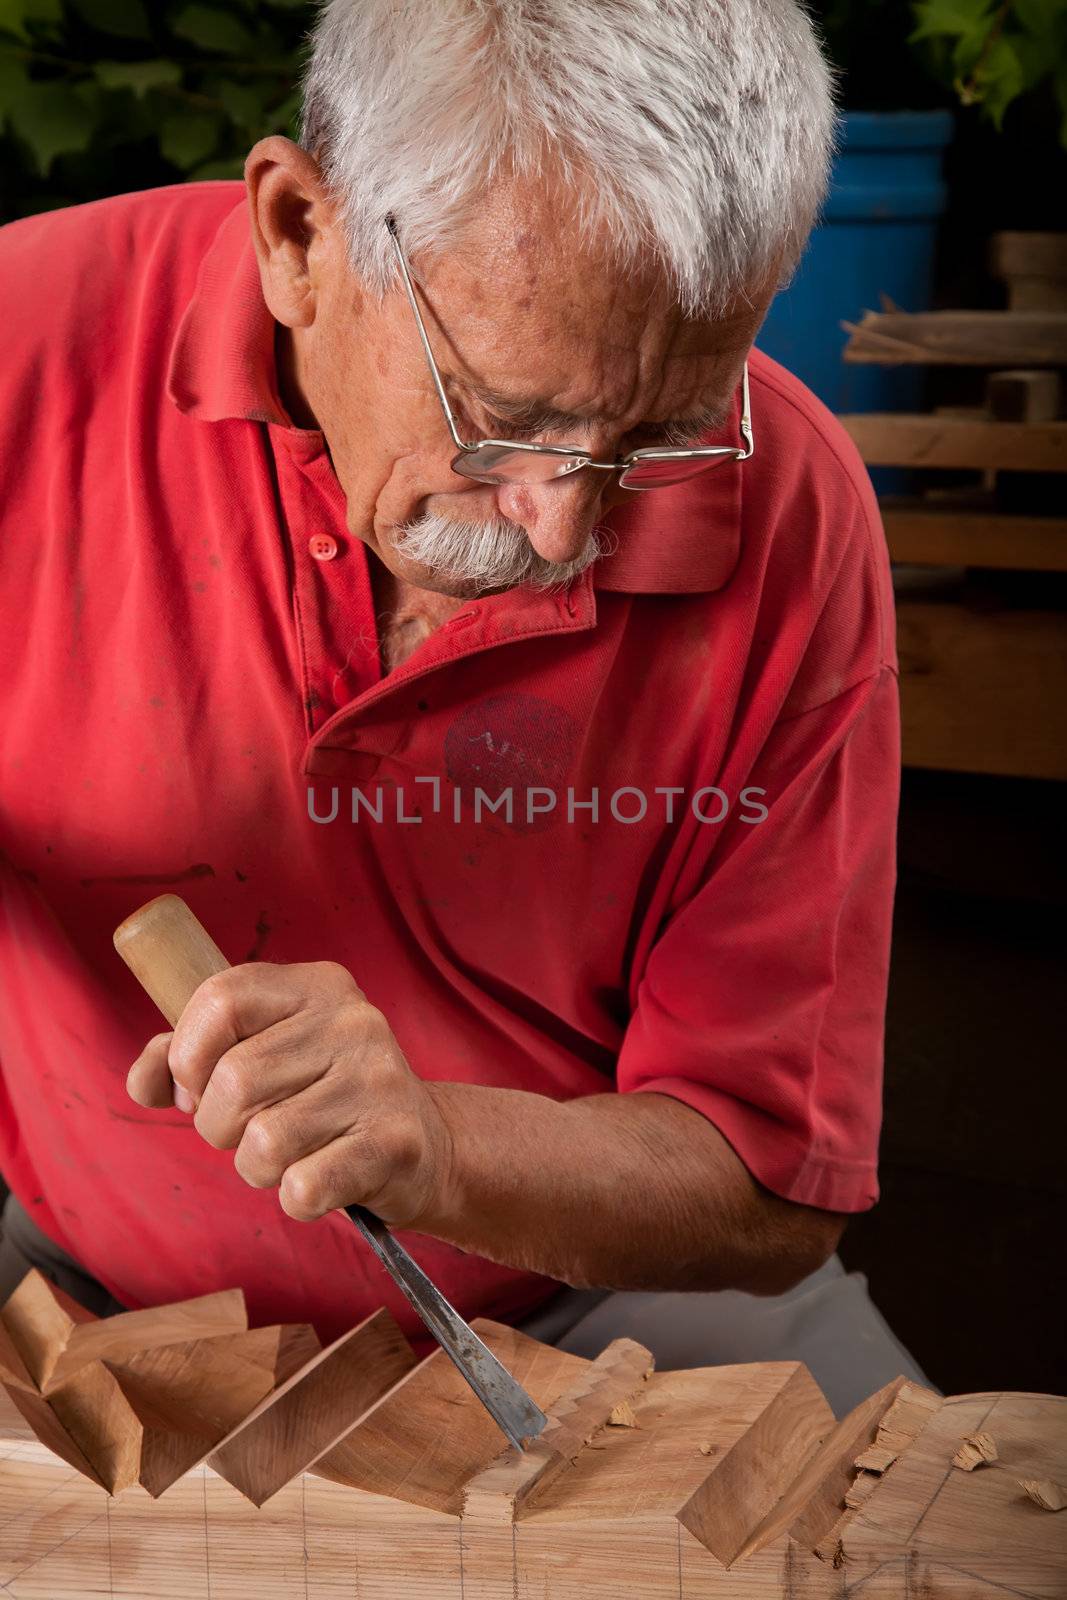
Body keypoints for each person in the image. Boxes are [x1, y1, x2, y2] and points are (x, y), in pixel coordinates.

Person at [0, 0, 929, 1416]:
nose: (563, 528)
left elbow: (763, 1178)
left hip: (607, 1300)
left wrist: (434, 1147)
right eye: (502, 418)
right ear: (301, 233)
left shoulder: (792, 512)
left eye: (660, 433)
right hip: (81, 1284)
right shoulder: (26, 349)